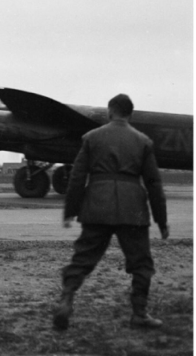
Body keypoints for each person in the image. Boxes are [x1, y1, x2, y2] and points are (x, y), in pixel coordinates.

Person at [54, 93, 169, 331]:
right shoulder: (143, 141)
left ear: (109, 112)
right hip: (132, 210)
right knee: (141, 264)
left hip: (97, 206)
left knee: (83, 258)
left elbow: (76, 177)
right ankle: (139, 314)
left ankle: (66, 299)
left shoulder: (91, 138)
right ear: (130, 114)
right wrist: (162, 220)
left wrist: (70, 211)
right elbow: (154, 183)